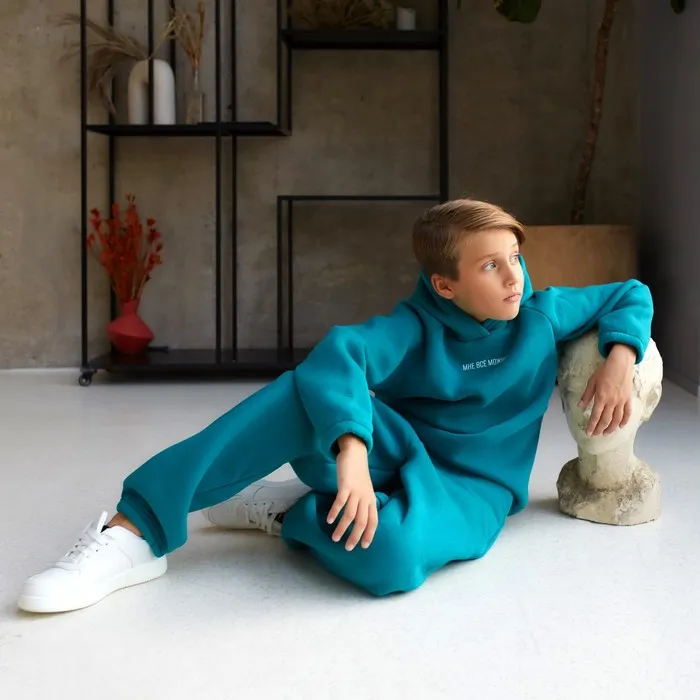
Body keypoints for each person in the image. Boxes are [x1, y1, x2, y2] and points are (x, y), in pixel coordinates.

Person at [17, 198, 653, 613]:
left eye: (515, 257)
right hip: (395, 450)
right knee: (304, 392)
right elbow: (339, 354)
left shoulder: (542, 314)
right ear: (445, 284)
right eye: (491, 265)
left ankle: (288, 512)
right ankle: (134, 529)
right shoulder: (415, 326)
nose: (514, 276)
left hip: (473, 490)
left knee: (391, 559)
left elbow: (630, 292)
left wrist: (620, 358)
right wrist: (352, 452)